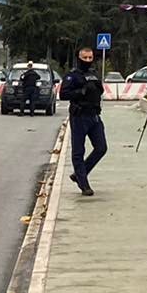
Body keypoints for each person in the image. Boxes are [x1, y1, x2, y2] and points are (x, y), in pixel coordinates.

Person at [60, 47, 108, 196]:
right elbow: (63, 94)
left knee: (101, 148)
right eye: (85, 58)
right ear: (79, 58)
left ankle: (80, 173)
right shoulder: (72, 76)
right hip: (79, 117)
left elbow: (100, 91)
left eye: (90, 58)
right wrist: (80, 92)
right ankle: (84, 184)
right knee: (78, 151)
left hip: (94, 116)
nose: (88, 60)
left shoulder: (93, 74)